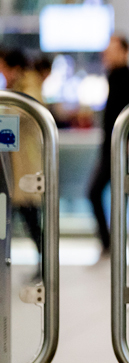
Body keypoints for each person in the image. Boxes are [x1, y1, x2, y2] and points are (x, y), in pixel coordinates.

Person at [88, 35, 129, 259]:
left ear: (125, 52)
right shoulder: (111, 77)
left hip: (127, 150)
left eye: (113, 49)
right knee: (96, 192)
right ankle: (109, 243)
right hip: (109, 149)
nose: (107, 54)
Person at [0, 49, 45, 275]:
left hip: (26, 163)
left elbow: (26, 111)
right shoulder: (18, 86)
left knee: (29, 216)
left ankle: (45, 262)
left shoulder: (28, 85)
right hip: (16, 163)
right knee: (19, 216)